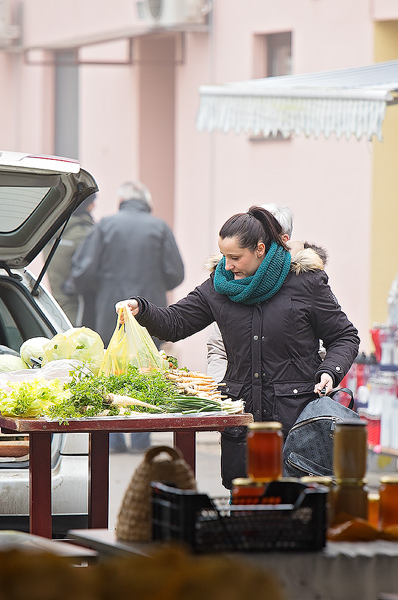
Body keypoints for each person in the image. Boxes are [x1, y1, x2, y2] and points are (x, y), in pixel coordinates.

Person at [118, 206, 360, 487]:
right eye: (223, 256)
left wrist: (329, 371)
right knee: (243, 516)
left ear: (260, 249)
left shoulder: (305, 282)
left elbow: (345, 336)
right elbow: (175, 323)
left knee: (296, 518)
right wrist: (142, 309)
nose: (227, 265)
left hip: (296, 429)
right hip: (241, 430)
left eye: (235, 257)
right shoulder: (219, 287)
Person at [65, 180, 185, 453]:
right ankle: (142, 438)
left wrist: (80, 289)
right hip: (151, 313)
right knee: (148, 370)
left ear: (121, 201)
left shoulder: (105, 226)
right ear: (146, 202)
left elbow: (84, 270)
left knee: (112, 371)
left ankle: (114, 437)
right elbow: (175, 273)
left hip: (112, 310)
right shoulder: (160, 227)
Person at [206, 202, 326, 382]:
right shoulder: (228, 280)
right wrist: (221, 394)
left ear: (284, 240)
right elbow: (218, 349)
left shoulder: (306, 281)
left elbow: (324, 346)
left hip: (290, 405)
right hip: (238, 403)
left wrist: (322, 378)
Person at [46, 192, 97, 327]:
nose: (95, 205)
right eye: (93, 201)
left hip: (55, 301)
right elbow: (89, 272)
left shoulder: (52, 231)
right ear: (87, 205)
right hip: (77, 305)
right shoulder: (84, 233)